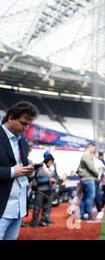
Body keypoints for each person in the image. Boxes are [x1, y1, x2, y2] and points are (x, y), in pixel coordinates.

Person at [0, 101, 38, 240]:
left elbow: (21, 169)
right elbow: (13, 170)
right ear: (10, 118)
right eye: (23, 123)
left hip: (18, 207)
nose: (26, 128)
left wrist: (28, 171)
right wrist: (11, 172)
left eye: (28, 125)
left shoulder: (22, 141)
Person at [30, 152, 57, 227]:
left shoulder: (53, 167)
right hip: (40, 190)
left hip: (49, 190)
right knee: (37, 207)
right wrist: (48, 179)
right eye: (49, 162)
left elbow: (55, 176)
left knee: (47, 206)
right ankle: (34, 221)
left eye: (52, 162)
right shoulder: (40, 167)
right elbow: (38, 179)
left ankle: (44, 220)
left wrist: (55, 180)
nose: (50, 163)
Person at [76, 143, 98, 221]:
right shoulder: (87, 155)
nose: (94, 150)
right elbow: (91, 167)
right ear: (90, 147)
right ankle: (90, 215)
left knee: (84, 197)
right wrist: (97, 174)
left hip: (84, 179)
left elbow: (78, 169)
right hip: (88, 178)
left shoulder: (84, 155)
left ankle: (82, 214)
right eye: (94, 148)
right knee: (90, 197)